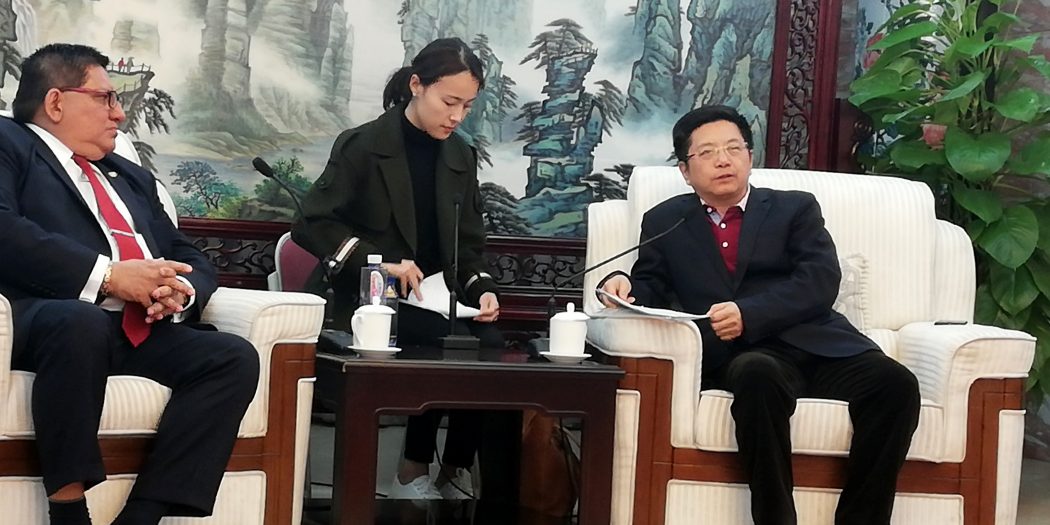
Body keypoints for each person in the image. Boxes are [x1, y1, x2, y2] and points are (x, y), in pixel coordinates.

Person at [598, 105, 921, 524]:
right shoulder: (666, 221)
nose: (723, 160)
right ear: (685, 170)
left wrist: (749, 313)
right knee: (757, 376)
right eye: (708, 152)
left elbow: (820, 280)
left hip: (819, 344)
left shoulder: (794, 208)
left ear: (750, 157)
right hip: (743, 355)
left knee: (896, 384)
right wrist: (621, 283)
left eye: (734, 148)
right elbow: (650, 287)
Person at [0, 44, 259, 525]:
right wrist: (110, 277)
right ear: (55, 102)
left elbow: (186, 254)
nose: (120, 114)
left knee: (232, 357)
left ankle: (142, 516)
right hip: (45, 321)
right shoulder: (9, 144)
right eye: (106, 98)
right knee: (79, 322)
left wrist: (178, 291)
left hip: (135, 328)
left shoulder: (130, 177)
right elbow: (4, 230)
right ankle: (69, 511)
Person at [292, 37, 502, 500]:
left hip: (434, 297)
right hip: (369, 300)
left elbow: (468, 245)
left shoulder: (460, 156)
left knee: (490, 346)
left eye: (467, 106)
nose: (457, 116)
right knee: (442, 341)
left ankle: (454, 470)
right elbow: (311, 224)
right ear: (416, 85)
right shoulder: (363, 145)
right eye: (449, 102)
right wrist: (378, 263)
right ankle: (411, 469)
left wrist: (480, 289)